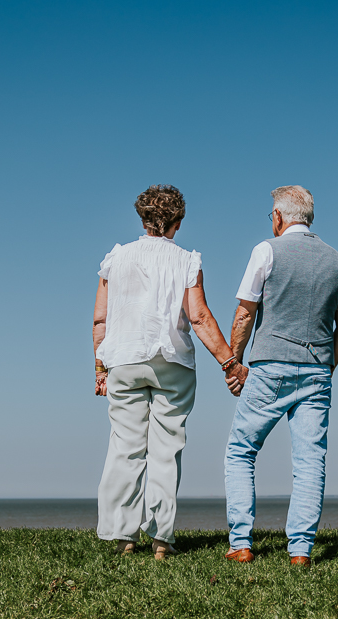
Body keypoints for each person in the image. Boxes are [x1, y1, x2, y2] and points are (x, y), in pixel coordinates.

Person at [93, 184, 247, 560]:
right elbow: (198, 316)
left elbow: (101, 319)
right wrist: (230, 362)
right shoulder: (186, 260)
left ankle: (123, 537)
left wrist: (100, 368)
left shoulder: (115, 259)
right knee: (166, 448)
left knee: (125, 447)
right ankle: (161, 540)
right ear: (177, 221)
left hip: (123, 360)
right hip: (171, 362)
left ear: (143, 219)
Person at [223, 185, 338, 566]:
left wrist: (235, 362)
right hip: (317, 370)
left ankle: (241, 543)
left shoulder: (266, 250)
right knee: (310, 460)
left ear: (279, 216)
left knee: (241, 451)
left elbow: (245, 313)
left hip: (269, 368)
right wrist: (328, 365)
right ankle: (300, 551)